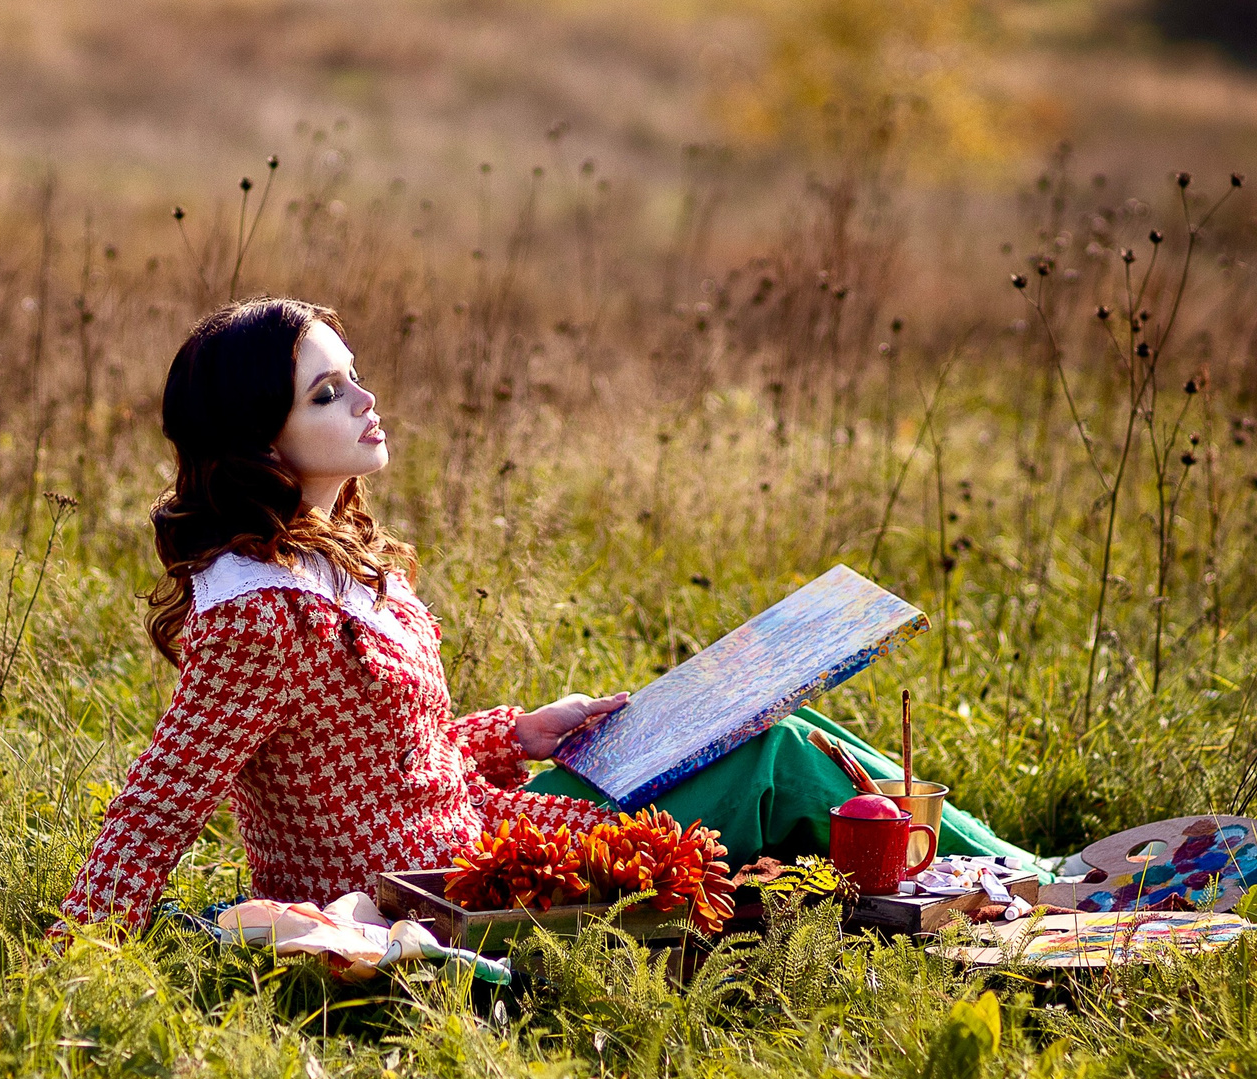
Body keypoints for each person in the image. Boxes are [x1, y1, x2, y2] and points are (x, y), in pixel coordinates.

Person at [57, 297, 1035, 931]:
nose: (365, 397)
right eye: (326, 391)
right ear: (262, 444)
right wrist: (76, 961)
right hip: (441, 887)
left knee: (787, 721)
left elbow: (386, 758)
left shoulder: (326, 566)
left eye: (351, 373)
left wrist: (517, 731)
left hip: (471, 826)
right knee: (775, 754)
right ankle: (1028, 893)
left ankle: (981, 883)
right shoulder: (260, 608)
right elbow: (159, 799)